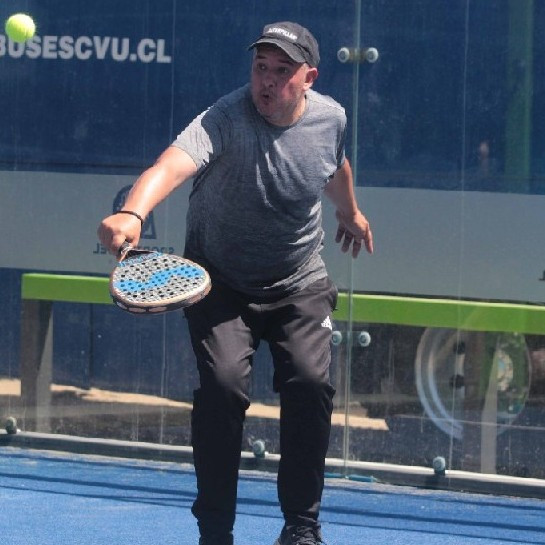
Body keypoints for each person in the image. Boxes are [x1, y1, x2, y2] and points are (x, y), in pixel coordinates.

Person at [98, 21, 373, 545]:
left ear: (309, 78)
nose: (267, 80)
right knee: (222, 389)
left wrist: (351, 213)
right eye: (260, 67)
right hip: (219, 284)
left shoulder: (331, 117)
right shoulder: (223, 119)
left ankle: (301, 528)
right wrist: (133, 212)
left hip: (299, 279)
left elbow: (334, 165)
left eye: (282, 71)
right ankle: (215, 531)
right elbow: (170, 166)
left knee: (310, 385)